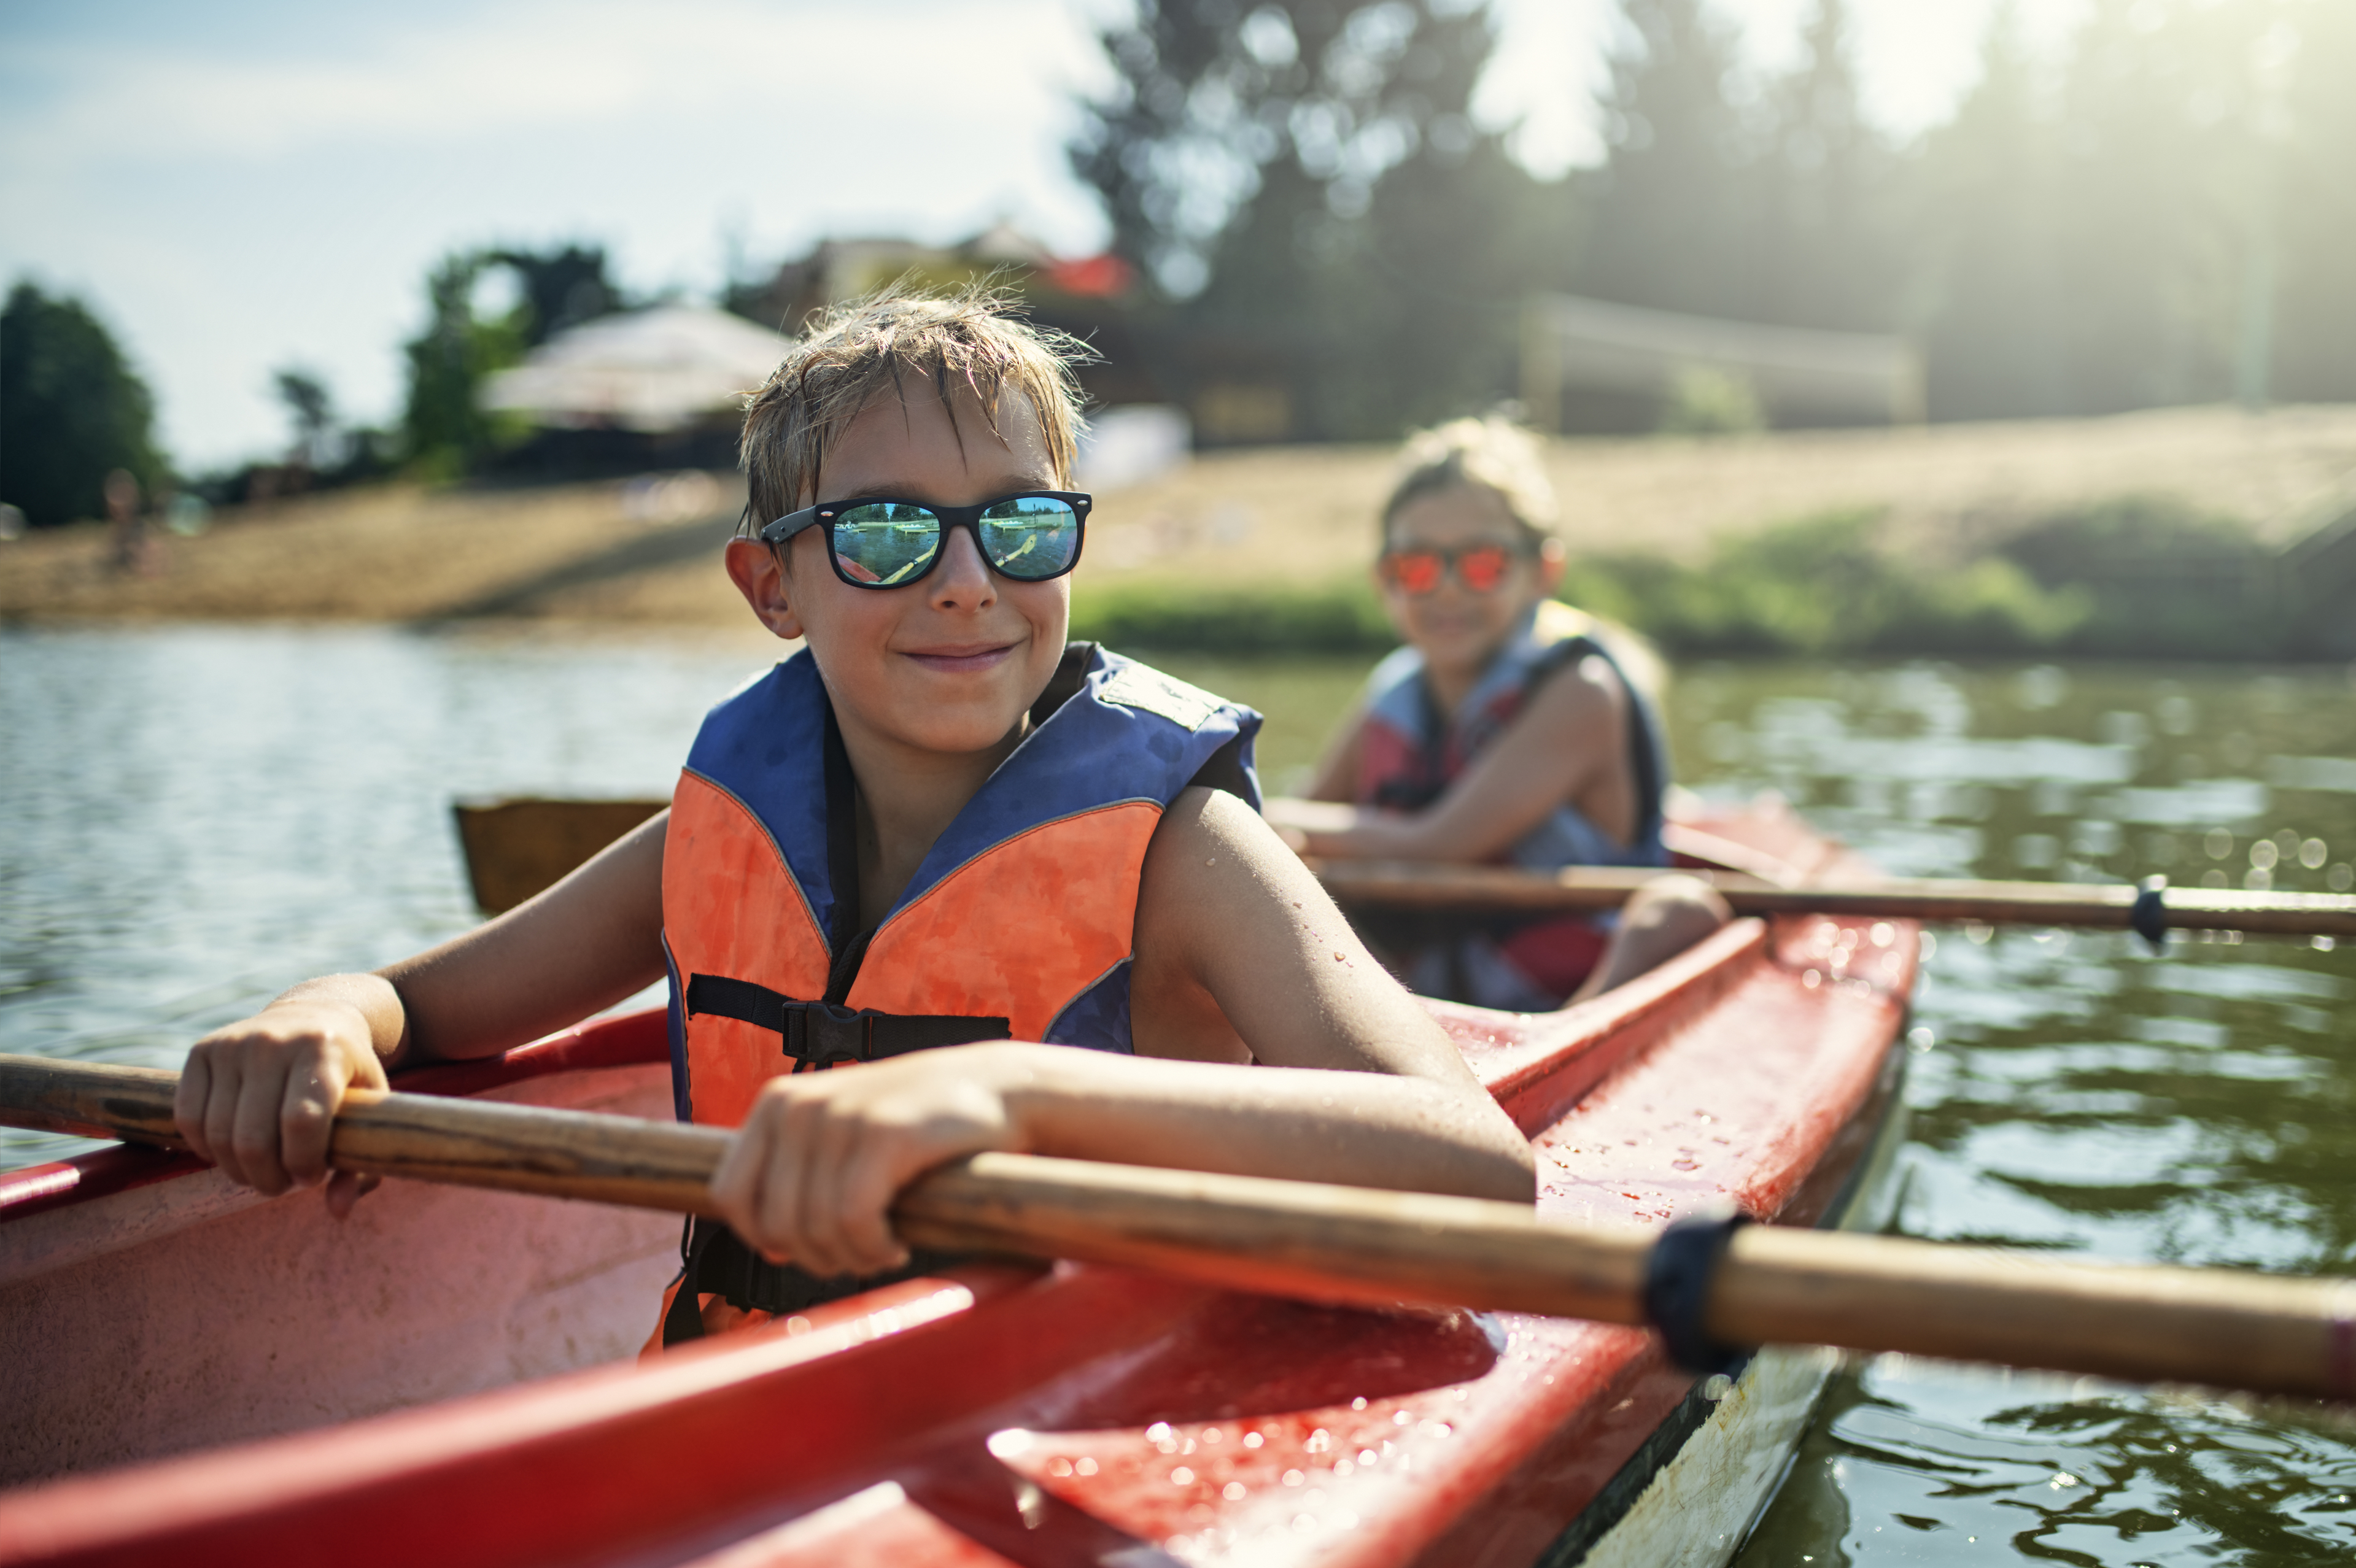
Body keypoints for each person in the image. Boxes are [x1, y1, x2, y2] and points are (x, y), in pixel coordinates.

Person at [173, 288, 1533, 1352]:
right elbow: (424, 1004)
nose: (963, 584)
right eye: (886, 534)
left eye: (1019, 528)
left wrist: (1007, 1088)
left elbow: (1474, 1172)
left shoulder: (1182, 853)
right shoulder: (716, 830)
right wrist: (328, 1011)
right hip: (752, 1409)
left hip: (1075, 1413)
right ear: (771, 585)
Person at [1276, 417, 1727, 1010]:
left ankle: (1571, 1045)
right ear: (1383, 578)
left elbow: (1436, 843)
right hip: (1430, 980)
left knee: (1676, 911)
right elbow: (1316, 809)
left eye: (1483, 563)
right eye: (1416, 566)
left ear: (1544, 571)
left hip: (1568, 985)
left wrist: (1270, 821)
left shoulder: (1579, 692)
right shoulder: (1395, 690)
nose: (1447, 590)